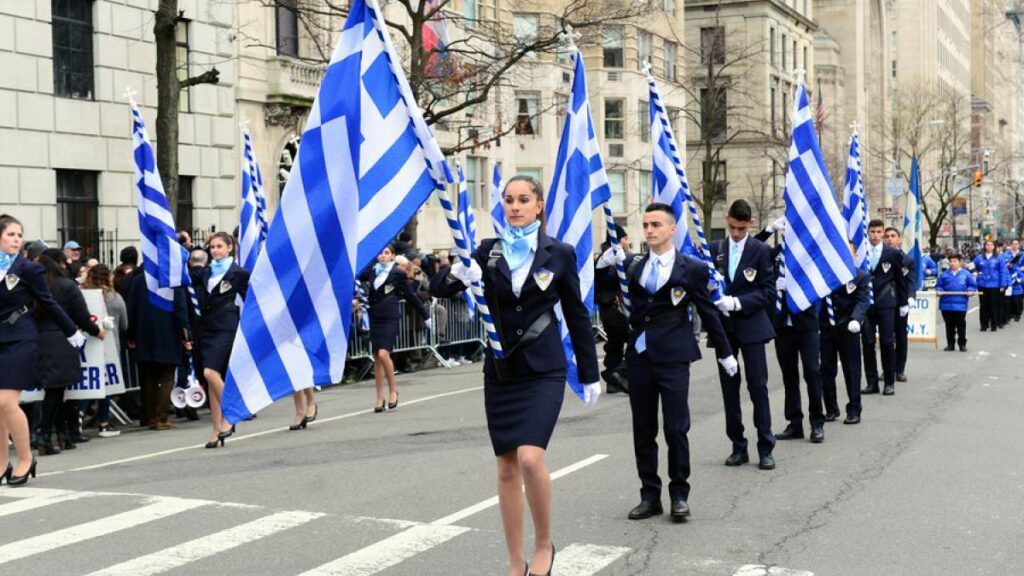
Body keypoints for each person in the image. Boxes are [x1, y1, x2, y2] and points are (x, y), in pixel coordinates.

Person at [430, 175, 599, 576]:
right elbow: (438, 289)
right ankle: (514, 560)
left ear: (539, 206)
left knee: (529, 457)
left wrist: (589, 372)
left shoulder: (559, 253)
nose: (515, 206)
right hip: (502, 372)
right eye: (508, 200)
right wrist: (458, 274)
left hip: (543, 370)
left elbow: (576, 314)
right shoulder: (487, 252)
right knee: (506, 465)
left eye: (524, 199)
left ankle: (543, 545)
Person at [620, 203, 737, 523]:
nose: (649, 230)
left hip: (674, 358)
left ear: (672, 229)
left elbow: (708, 310)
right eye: (645, 225)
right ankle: (649, 495)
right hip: (641, 358)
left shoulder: (692, 269)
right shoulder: (635, 268)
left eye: (656, 224)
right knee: (643, 429)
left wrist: (724, 352)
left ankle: (679, 494)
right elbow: (634, 314)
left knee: (676, 428)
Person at [0, 215, 82, 486]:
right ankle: (2, 463)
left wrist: (72, 330)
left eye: (18, 234)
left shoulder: (28, 268)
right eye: (10, 234)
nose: (16, 239)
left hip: (21, 338)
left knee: (6, 402)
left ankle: (25, 458)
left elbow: (48, 302)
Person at [709, 200, 777, 470]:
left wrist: (738, 303)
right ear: (727, 220)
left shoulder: (760, 250)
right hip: (725, 330)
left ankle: (765, 446)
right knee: (729, 390)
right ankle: (738, 445)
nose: (736, 233)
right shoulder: (716, 249)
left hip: (751, 326)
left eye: (741, 228)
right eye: (732, 227)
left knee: (758, 387)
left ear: (750, 224)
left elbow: (767, 291)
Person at [756, 219, 825, 444]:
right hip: (782, 325)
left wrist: (794, 286)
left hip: (806, 325)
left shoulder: (809, 256)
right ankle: (795, 422)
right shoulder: (775, 253)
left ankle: (817, 422)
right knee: (789, 376)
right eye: (785, 230)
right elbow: (752, 249)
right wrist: (768, 230)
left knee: (812, 372)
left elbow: (820, 283)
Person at [32, 251, 104, 454]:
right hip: (61, 339)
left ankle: (61, 434)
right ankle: (44, 434)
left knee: (55, 390)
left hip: (38, 340)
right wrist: (96, 331)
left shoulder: (34, 287)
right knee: (56, 391)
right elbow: (81, 315)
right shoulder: (66, 285)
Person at [191, 232, 248, 448]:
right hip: (205, 328)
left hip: (226, 327)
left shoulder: (239, 273)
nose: (215, 251)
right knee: (210, 381)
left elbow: (250, 299)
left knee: (210, 372)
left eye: (219, 247)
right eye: (212, 247)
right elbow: (182, 274)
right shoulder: (205, 272)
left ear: (230, 248)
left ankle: (234, 411)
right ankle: (216, 429)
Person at [361, 245, 430, 412]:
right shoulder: (372, 271)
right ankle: (379, 397)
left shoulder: (397, 273)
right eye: (380, 252)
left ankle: (393, 390)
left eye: (386, 253)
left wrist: (426, 315)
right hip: (375, 318)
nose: (383, 256)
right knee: (377, 357)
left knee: (384, 354)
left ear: (392, 256)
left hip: (390, 317)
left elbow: (410, 295)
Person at [126, 260, 192, 431]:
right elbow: (181, 309)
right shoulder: (172, 280)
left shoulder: (138, 279)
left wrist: (131, 334)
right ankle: (161, 417)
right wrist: (186, 334)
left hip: (144, 332)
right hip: (168, 332)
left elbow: (131, 309)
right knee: (167, 376)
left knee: (148, 377)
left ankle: (149, 416)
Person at [820, 242, 871, 425]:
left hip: (848, 326)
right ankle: (831, 408)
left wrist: (857, 319)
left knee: (852, 369)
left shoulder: (860, 277)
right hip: (826, 326)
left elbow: (863, 301)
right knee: (826, 369)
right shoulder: (825, 276)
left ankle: (854, 409)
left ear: (855, 255)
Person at [81, 264, 128, 437]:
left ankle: (80, 412)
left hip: (86, 345)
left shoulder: (83, 295)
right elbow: (125, 324)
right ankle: (104, 423)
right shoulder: (115, 298)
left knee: (88, 382)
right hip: (110, 346)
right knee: (105, 385)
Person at [861, 220, 908, 396]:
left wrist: (903, 303)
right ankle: (872, 382)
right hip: (866, 305)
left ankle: (889, 381)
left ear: (883, 234)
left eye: (879, 232)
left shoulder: (892, 253)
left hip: (886, 304)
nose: (875, 235)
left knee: (887, 342)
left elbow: (900, 280)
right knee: (867, 343)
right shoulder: (861, 252)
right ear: (868, 233)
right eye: (872, 231)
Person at [594, 224, 640, 394]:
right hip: (616, 307)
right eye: (625, 239)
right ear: (618, 240)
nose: (628, 242)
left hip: (609, 308)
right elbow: (609, 279)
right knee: (634, 341)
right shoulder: (610, 259)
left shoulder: (611, 258)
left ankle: (613, 382)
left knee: (615, 343)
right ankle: (617, 372)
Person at [884, 227, 914, 383]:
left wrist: (909, 298)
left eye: (893, 236)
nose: (889, 239)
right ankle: (888, 369)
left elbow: (910, 282)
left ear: (899, 239)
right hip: (884, 303)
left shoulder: (907, 260)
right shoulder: (880, 258)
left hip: (900, 303)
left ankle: (900, 369)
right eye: (887, 236)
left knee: (901, 336)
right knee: (887, 339)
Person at [935, 254, 977, 352]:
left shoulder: (966, 274)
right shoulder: (944, 275)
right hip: (946, 305)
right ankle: (950, 344)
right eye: (951, 261)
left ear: (959, 262)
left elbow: (972, 285)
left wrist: (970, 291)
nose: (952, 263)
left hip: (960, 305)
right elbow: (938, 286)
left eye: (955, 261)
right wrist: (939, 291)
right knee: (949, 326)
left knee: (961, 325)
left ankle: (962, 344)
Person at [971, 240, 1002, 332]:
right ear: (984, 246)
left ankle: (993, 324)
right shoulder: (979, 258)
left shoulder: (998, 258)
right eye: (987, 245)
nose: (989, 246)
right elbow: (971, 267)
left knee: (993, 305)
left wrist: (1004, 284)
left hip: (994, 285)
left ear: (994, 247)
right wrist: (974, 272)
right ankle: (984, 325)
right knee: (983, 306)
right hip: (982, 284)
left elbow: (1003, 271)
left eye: (991, 245)